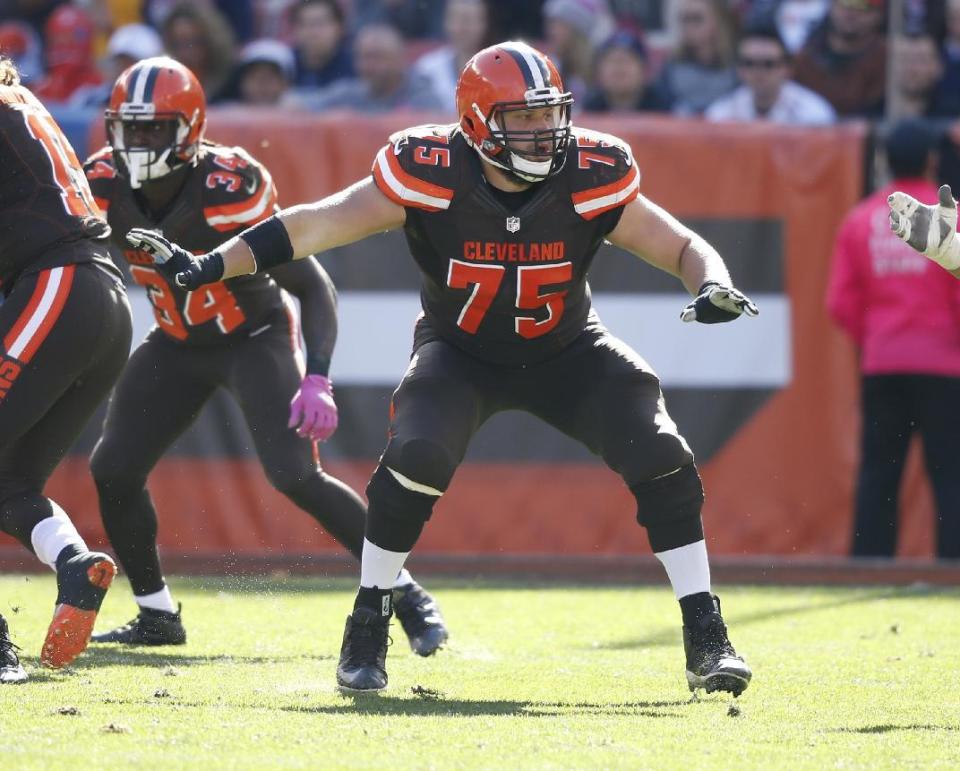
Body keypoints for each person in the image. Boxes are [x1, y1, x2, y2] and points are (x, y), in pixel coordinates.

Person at [127, 41, 758, 696]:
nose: (545, 134)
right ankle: (368, 618)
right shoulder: (428, 168)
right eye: (525, 119)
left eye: (550, 116)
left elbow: (679, 243)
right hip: (461, 352)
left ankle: (705, 633)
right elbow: (316, 224)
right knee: (416, 453)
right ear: (479, 122)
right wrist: (210, 264)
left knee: (662, 451)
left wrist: (711, 282)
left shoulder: (592, 170)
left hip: (567, 348)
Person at [84, 57, 448, 654]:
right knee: (112, 469)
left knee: (295, 475)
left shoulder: (227, 187)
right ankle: (156, 615)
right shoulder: (101, 184)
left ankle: (405, 593)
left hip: (254, 336)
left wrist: (319, 377)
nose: (140, 141)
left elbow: (312, 284)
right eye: (131, 127)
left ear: (191, 128)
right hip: (176, 340)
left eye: (155, 128)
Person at [0, 56, 132, 679]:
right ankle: (77, 566)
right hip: (98, 298)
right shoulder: (18, 102)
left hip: (57, 286)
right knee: (8, 484)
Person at [830, 120, 960, 560]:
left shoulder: (860, 219)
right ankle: (952, 569)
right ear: (932, 161)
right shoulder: (952, 219)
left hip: (883, 365)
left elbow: (841, 303)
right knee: (951, 474)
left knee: (879, 474)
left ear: (884, 161)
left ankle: (869, 566)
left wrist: (877, 340)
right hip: (946, 366)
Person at [705, 23, 835, 125]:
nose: (758, 72)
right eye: (749, 63)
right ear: (739, 69)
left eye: (768, 64)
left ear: (787, 69)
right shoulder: (721, 115)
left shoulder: (813, 115)